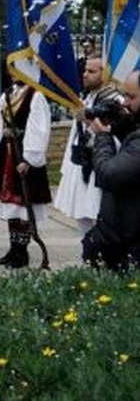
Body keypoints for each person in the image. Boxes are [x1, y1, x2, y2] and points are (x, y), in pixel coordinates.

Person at [54, 58, 121, 239]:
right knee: (81, 213)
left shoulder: (115, 100)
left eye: (92, 72)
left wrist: (89, 119)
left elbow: (114, 134)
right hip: (81, 158)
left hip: (99, 160)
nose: (85, 75)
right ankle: (88, 250)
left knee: (97, 212)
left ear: (104, 74)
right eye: (85, 70)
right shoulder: (87, 96)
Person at [0, 81, 52, 268]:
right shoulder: (8, 93)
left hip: (23, 154)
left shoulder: (36, 95)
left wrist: (29, 159)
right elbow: (1, 125)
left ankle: (22, 252)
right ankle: (14, 248)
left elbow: (39, 129)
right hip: (8, 152)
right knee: (11, 207)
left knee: (23, 205)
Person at [83, 70, 140, 271]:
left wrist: (102, 137)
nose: (124, 103)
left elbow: (108, 175)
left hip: (128, 245)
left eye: (131, 97)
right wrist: (119, 125)